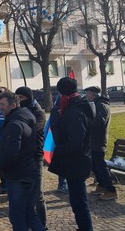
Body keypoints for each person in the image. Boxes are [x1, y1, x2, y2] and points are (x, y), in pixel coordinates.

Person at [48, 77, 95, 231]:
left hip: (77, 161)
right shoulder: (74, 106)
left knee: (79, 202)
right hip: (76, 160)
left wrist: (57, 149)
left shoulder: (75, 111)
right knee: (76, 200)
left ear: (62, 92)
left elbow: (75, 141)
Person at [0, 91, 44, 231]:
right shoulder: (26, 117)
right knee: (29, 213)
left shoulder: (14, 124)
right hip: (29, 171)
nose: (0, 108)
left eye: (3, 105)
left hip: (19, 175)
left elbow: (11, 153)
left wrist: (1, 163)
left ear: (12, 105)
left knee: (18, 217)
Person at [15, 86, 47, 228]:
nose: (19, 101)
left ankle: (42, 224)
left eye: (21, 98)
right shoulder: (18, 111)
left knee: (37, 195)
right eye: (17, 98)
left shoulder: (38, 112)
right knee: (23, 195)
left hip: (35, 157)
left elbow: (32, 130)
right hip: (21, 157)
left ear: (28, 98)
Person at [84, 86, 117, 200]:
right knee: (95, 165)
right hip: (93, 141)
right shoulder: (95, 104)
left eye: (87, 93)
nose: (86, 95)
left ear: (93, 94)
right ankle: (102, 185)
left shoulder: (101, 105)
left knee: (100, 166)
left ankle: (111, 190)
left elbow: (99, 122)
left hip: (99, 141)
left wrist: (86, 120)